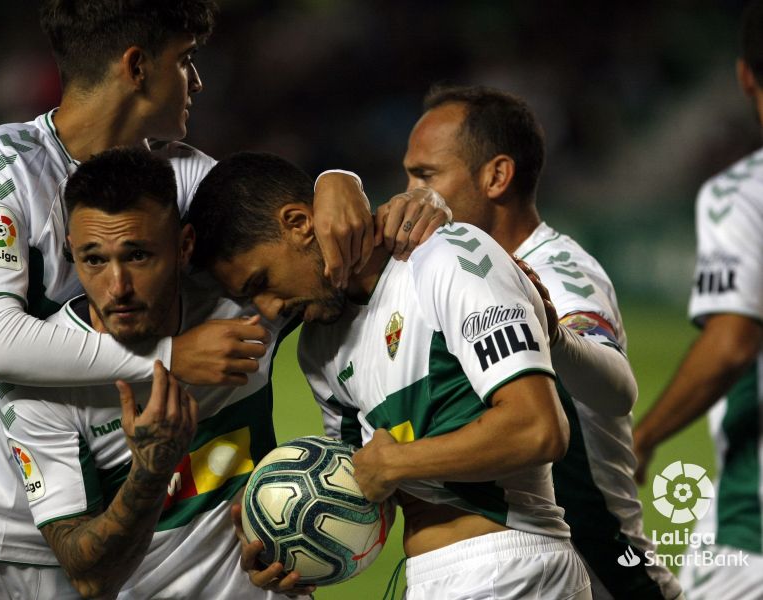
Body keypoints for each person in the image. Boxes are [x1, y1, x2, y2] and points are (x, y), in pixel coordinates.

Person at [0, 1, 450, 596]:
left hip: (85, 530)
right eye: (186, 60)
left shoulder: (184, 179)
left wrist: (341, 181)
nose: (196, 81)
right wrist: (172, 355)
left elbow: (279, 219)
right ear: (137, 67)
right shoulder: (4, 168)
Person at [187, 151, 591, 600]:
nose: (267, 309)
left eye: (259, 282)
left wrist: (398, 462)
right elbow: (370, 493)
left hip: (511, 567)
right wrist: (288, 537)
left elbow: (538, 429)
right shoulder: (319, 348)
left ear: (299, 223)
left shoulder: (448, 258)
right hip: (430, 579)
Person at [401, 84, 683, 599]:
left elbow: (613, 381)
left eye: (426, 176)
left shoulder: (561, 272)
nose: (410, 195)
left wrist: (553, 335)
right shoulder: (450, 281)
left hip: (605, 574)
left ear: (496, 176)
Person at [0, 146, 302, 598]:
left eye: (138, 256)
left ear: (184, 247)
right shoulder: (40, 388)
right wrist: (149, 470)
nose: (117, 287)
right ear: (70, 254)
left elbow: (333, 257)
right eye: (94, 259)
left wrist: (341, 183)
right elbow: (89, 577)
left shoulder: (239, 299)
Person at [633, 2, 763, 597]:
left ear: (744, 77)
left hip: (750, 532)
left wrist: (643, 436)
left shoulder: (742, 193)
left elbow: (732, 342)